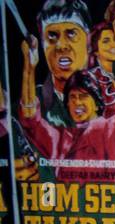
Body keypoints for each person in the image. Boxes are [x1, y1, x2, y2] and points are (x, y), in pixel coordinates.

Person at [18, 13, 115, 184]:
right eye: (72, 98)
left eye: (82, 96)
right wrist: (29, 67)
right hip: (71, 209)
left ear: (97, 103)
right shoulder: (60, 140)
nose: (77, 103)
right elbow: (30, 118)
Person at [31, 0, 92, 128]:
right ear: (42, 44)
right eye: (52, 36)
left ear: (88, 41)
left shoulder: (112, 97)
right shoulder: (31, 103)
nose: (61, 46)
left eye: (71, 34)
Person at [88, 20, 115, 116]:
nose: (113, 45)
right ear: (96, 50)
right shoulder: (91, 78)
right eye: (106, 41)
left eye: (114, 40)